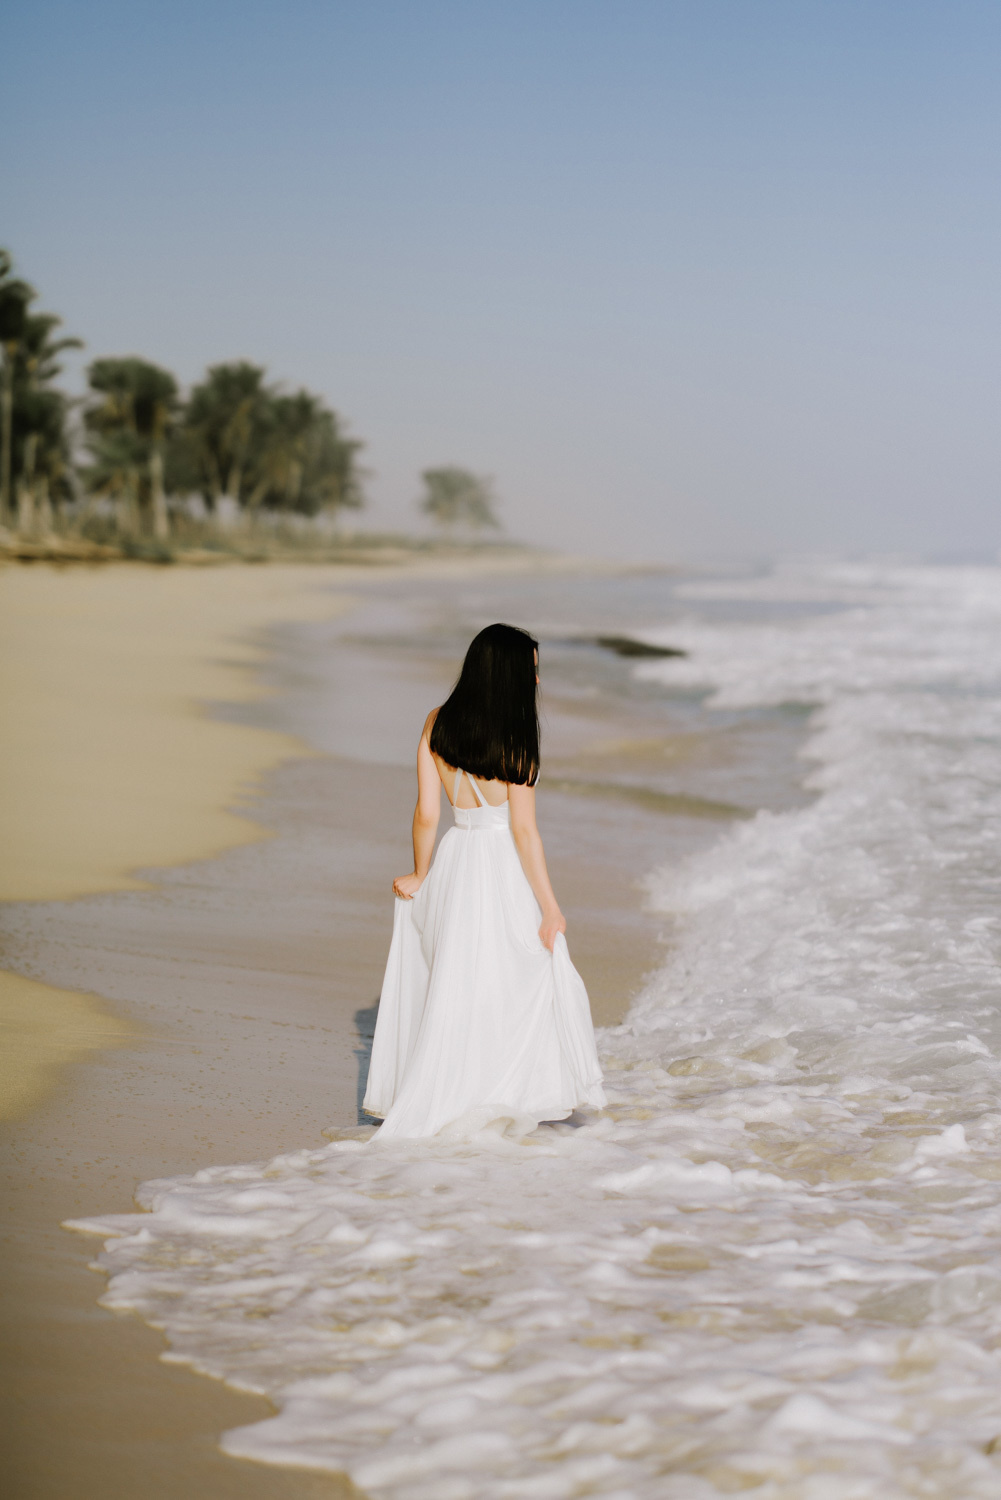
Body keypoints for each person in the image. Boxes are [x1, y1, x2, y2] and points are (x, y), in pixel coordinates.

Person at [364, 622, 606, 1139]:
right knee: (513, 978)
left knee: (454, 979)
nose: (537, 682)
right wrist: (551, 907)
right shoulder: (517, 743)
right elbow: (524, 832)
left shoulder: (437, 723)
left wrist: (420, 874)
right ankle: (498, 1094)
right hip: (499, 868)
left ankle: (453, 1092)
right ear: (510, 676)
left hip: (455, 859)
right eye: (533, 671)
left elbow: (428, 813)